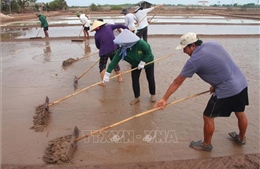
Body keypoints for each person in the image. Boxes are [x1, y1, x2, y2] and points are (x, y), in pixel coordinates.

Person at [154, 32, 249, 151]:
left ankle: (206, 144)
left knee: (208, 116)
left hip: (227, 89)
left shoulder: (194, 60)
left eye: (185, 49)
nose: (184, 52)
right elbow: (220, 65)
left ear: (192, 45)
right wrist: (216, 84)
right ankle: (241, 138)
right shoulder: (213, 44)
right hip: (241, 82)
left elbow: (177, 81)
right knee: (240, 112)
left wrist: (164, 99)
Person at [103, 29, 156, 105]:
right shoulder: (122, 50)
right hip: (135, 64)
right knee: (135, 80)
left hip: (148, 62)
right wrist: (107, 73)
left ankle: (153, 95)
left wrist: (143, 61)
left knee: (150, 78)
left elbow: (148, 52)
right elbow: (114, 61)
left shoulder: (140, 43)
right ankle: (136, 97)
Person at [90, 19, 128, 85]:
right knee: (115, 63)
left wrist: (102, 48)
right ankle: (119, 78)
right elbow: (119, 25)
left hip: (104, 51)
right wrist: (126, 28)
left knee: (102, 66)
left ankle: (103, 82)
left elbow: (98, 46)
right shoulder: (109, 27)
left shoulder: (96, 35)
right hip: (114, 49)